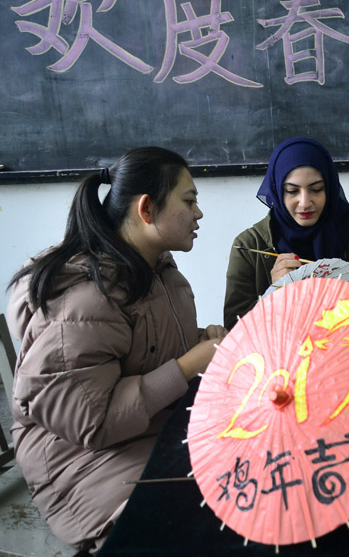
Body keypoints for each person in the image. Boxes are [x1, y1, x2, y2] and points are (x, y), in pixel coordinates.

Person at [5, 147, 223, 553]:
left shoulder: (155, 268)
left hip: (147, 427)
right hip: (80, 461)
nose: (199, 213)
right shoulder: (86, 298)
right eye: (190, 200)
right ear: (146, 208)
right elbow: (93, 418)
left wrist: (198, 342)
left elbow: (144, 350)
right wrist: (193, 361)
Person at [224, 138, 349, 328]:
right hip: (278, 356)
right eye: (292, 191)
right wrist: (274, 295)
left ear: (330, 188)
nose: (305, 202)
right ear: (277, 190)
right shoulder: (251, 247)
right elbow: (234, 330)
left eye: (316, 189)